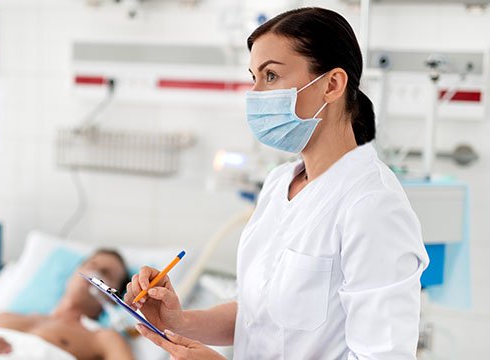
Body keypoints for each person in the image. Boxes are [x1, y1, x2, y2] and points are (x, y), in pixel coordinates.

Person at [125, 7, 429, 360]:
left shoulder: (371, 205)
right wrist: (178, 320)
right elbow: (258, 317)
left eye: (270, 76)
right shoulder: (278, 184)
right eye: (253, 77)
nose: (255, 93)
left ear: (332, 84)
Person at [0, 249, 134, 360]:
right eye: (90, 265)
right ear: (72, 274)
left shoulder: (102, 337)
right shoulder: (5, 317)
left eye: (106, 273)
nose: (94, 273)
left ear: (111, 296)